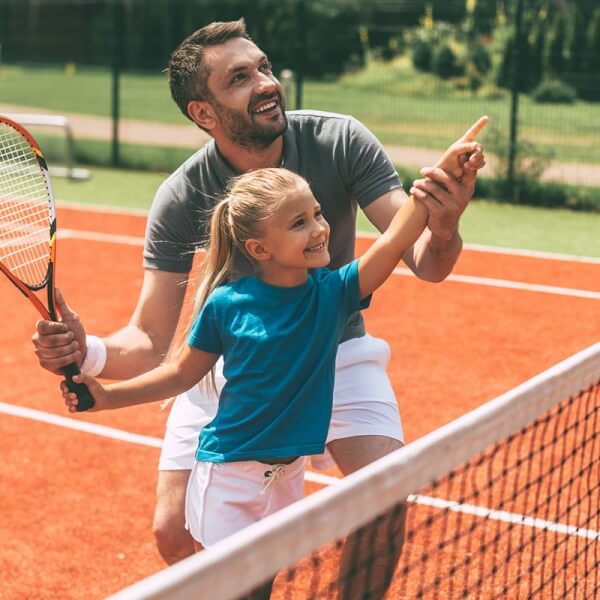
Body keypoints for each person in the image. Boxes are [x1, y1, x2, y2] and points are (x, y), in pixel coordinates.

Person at [32, 18, 486, 596]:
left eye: (264, 67)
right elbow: (150, 341)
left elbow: (423, 258)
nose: (266, 83)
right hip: (230, 363)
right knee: (174, 534)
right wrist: (87, 351)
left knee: (384, 494)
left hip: (333, 345)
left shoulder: (339, 140)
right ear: (204, 112)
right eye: (241, 78)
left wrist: (443, 223)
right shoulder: (181, 195)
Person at [62, 155, 476, 596]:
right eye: (298, 223)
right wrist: (106, 397)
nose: (319, 228)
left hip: (285, 479)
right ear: (259, 249)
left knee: (261, 585)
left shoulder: (334, 294)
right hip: (227, 481)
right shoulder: (227, 305)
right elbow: (180, 375)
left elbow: (393, 242)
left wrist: (434, 181)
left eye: (317, 213)